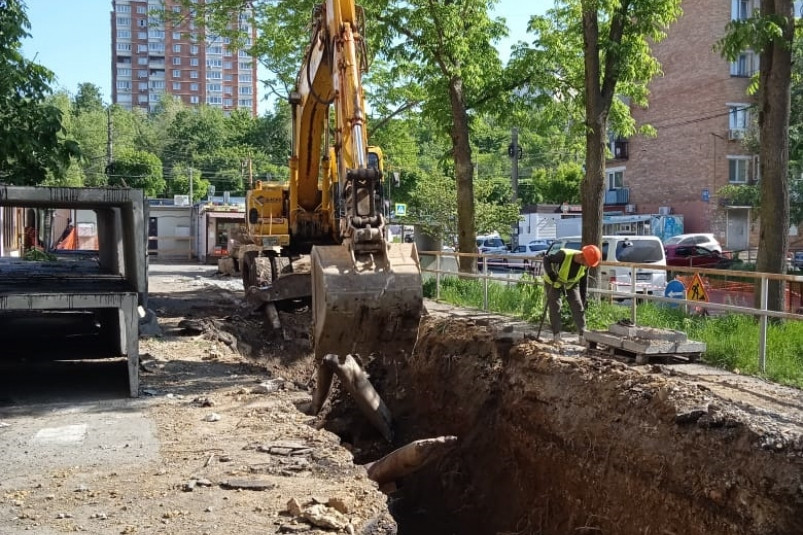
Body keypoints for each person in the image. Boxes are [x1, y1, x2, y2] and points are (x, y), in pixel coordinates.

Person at [542, 244, 602, 345]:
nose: (589, 266)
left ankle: (583, 337)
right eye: (589, 263)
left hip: (571, 284)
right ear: (583, 257)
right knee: (556, 306)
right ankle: (557, 336)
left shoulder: (585, 266)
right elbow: (546, 259)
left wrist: (583, 300)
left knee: (578, 307)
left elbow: (583, 284)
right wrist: (551, 273)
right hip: (553, 282)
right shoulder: (564, 255)